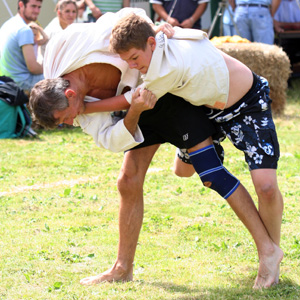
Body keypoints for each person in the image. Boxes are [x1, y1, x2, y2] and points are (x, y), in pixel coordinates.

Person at [29, 8, 283, 289]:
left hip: (171, 95)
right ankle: (122, 268)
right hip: (140, 105)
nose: (71, 122)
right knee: (128, 180)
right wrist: (133, 110)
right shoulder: (71, 100)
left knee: (210, 173)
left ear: (70, 94)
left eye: (66, 117)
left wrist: (153, 30)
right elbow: (110, 139)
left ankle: (267, 250)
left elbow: (128, 18)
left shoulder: (71, 44)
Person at [0, 0, 44, 92]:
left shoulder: (7, 24)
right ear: (21, 5)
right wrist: (51, 68)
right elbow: (33, 68)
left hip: (6, 82)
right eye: (33, 6)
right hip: (22, 83)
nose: (37, 11)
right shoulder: (24, 30)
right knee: (60, 76)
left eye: (39, 7)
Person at [273, 0, 300, 68]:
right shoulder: (277, 3)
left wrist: (283, 24)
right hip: (285, 37)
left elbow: (279, 23)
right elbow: (275, 23)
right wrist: (294, 25)